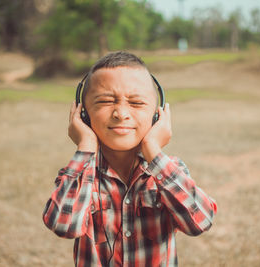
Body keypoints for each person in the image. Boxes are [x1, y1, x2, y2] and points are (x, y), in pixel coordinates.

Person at [42, 51, 217, 267]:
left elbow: (200, 222)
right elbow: (63, 225)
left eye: (136, 103)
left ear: (157, 115)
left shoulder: (169, 170)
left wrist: (152, 149)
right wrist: (85, 145)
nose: (121, 113)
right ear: (83, 114)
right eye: (105, 101)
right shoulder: (79, 173)